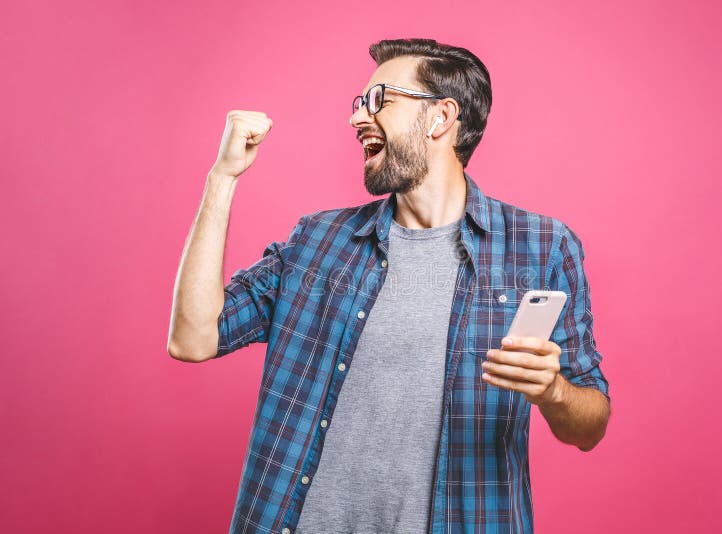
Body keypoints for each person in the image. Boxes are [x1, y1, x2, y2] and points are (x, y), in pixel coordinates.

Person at [167, 38, 611, 534]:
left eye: (379, 100)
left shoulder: (541, 248)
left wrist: (553, 390)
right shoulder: (318, 242)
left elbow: (590, 425)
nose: (357, 119)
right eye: (358, 104)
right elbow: (192, 338)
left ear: (441, 117)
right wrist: (222, 178)